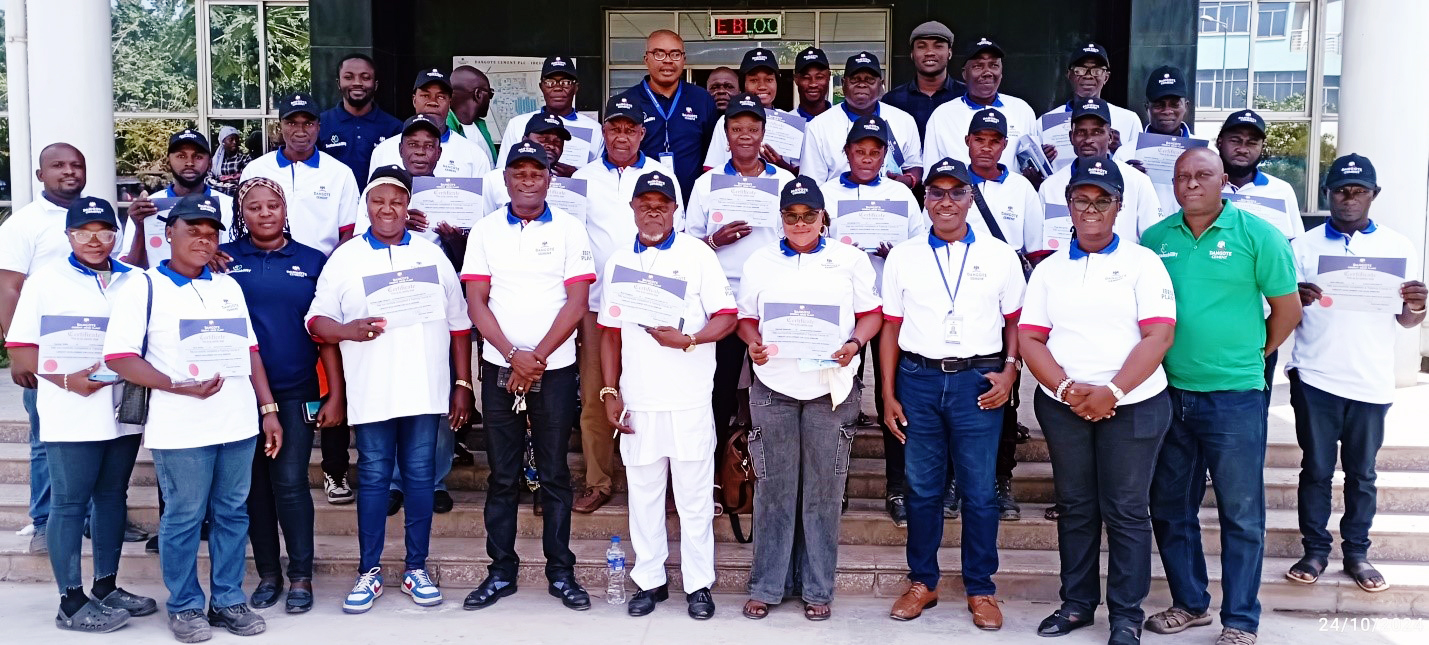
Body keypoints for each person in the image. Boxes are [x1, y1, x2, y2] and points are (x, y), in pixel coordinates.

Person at [1139, 147, 1300, 645]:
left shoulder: (1259, 236)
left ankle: (1241, 621)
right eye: (1182, 176)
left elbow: (1288, 310)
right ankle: (1190, 604)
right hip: (1168, 392)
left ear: (1224, 180)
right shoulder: (1154, 240)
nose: (1191, 184)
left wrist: (1254, 353)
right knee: (1169, 506)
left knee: (1241, 512)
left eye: (1202, 175)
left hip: (1234, 397)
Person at [104, 193, 281, 642]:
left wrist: (268, 409)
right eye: (193, 231)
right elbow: (120, 357)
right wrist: (175, 385)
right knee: (184, 517)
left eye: (210, 234)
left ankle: (226, 600)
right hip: (180, 425)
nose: (203, 240)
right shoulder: (142, 287)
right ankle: (184, 605)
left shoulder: (228, 286)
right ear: (169, 234)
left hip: (237, 421)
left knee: (232, 513)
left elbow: (250, 351)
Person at [1018, 158, 1176, 645]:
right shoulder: (1049, 270)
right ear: (1068, 205)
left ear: (1118, 206)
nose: (1091, 209)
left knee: (1126, 510)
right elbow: (1030, 337)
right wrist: (1067, 390)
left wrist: (1113, 391)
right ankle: (1077, 604)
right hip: (1064, 404)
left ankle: (1126, 614)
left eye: (1102, 199)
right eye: (1081, 199)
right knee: (1076, 506)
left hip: (1134, 404)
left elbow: (1158, 335)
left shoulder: (1143, 262)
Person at [305, 165, 474, 614]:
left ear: (407, 206)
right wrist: (347, 330)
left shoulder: (431, 254)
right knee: (375, 477)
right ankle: (369, 571)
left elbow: (459, 325)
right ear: (366, 205)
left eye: (396, 201)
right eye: (378, 200)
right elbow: (316, 321)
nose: (387, 208)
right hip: (372, 389)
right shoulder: (346, 258)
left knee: (419, 477)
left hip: (424, 387)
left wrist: (462, 383)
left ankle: (416, 567)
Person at [881, 158, 1024, 627]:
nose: (947, 201)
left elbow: (1015, 322)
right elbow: (890, 328)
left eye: (956, 192)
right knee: (922, 488)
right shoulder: (904, 256)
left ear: (970, 197)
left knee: (980, 490)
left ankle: (981, 588)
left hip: (976, 381)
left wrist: (1010, 371)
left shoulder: (999, 255)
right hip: (918, 379)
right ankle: (923, 581)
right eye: (937, 192)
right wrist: (887, 393)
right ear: (925, 199)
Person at [6, 197, 157, 632]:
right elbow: (21, 351)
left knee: (112, 496)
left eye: (104, 232)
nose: (94, 241)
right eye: (83, 233)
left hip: (123, 405)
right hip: (70, 406)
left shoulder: (137, 279)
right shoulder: (45, 280)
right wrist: (66, 379)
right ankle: (70, 603)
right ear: (68, 235)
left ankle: (106, 587)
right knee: (70, 503)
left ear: (116, 235)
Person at [736, 178, 881, 621]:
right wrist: (753, 343)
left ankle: (818, 589)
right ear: (781, 218)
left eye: (809, 215)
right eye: (791, 216)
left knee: (823, 491)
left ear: (823, 217)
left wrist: (854, 344)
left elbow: (871, 315)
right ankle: (767, 585)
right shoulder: (760, 261)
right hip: (773, 385)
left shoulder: (850, 259)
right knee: (774, 489)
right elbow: (746, 318)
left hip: (830, 388)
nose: (800, 223)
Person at [460, 141, 595, 612]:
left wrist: (534, 357)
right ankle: (501, 571)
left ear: (549, 179)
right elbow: (476, 301)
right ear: (505, 180)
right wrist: (512, 355)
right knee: (502, 475)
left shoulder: (570, 229)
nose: (527, 181)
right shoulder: (485, 230)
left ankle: (561, 571)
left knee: (555, 473)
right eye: (518, 173)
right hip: (501, 366)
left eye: (536, 173)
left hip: (553, 369)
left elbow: (577, 303)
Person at [1285, 154, 1426, 593]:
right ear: (1327, 193)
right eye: (1341, 190)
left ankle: (1357, 554)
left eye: (1359, 190)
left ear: (1373, 195)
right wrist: (1296, 300)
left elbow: (1406, 319)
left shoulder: (1399, 246)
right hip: (1315, 375)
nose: (1349, 198)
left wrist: (1418, 305)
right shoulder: (1302, 246)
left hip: (1371, 379)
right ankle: (1314, 551)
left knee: (1362, 474)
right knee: (1316, 470)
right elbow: (1283, 312)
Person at [598, 170, 735, 619]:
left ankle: (698, 584)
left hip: (689, 399)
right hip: (639, 400)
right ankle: (650, 580)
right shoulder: (619, 261)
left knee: (694, 500)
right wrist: (609, 391)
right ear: (633, 208)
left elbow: (727, 317)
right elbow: (609, 333)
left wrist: (690, 339)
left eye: (662, 205)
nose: (653, 212)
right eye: (645, 204)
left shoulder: (698, 255)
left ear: (675, 209)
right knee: (643, 497)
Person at [222, 178, 343, 614]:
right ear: (242, 213)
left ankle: (301, 576)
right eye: (254, 207)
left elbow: (325, 332)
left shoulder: (312, 261)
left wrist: (335, 393)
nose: (265, 213)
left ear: (285, 208)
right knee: (253, 488)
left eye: (272, 205)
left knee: (290, 484)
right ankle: (269, 574)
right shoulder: (224, 259)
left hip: (295, 389)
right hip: (239, 391)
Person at [570, 94, 681, 512]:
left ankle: (658, 479)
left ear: (642, 133)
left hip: (655, 302)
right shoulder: (582, 178)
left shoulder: (661, 176)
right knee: (598, 392)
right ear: (603, 131)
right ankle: (598, 480)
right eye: (614, 128)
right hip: (598, 304)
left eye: (629, 129)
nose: (621, 136)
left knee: (656, 388)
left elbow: (678, 236)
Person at [685, 94, 797, 446]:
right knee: (720, 387)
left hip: (771, 298)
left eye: (752, 128)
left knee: (775, 387)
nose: (745, 135)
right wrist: (714, 240)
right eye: (736, 129)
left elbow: (798, 237)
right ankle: (718, 466)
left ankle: (768, 466)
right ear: (726, 134)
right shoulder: (707, 183)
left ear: (763, 132)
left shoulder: (784, 182)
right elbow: (687, 246)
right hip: (723, 300)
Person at [0, 142, 93, 556]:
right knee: (45, 439)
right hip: (46, 352)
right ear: (41, 175)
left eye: (76, 165)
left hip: (95, 347)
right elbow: (8, 288)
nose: (69, 172)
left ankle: (97, 516)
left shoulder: (96, 215)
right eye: (58, 165)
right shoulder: (24, 223)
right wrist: (18, 350)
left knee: (98, 436)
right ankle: (43, 521)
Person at [1030, 98, 1160, 256]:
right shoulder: (1050, 186)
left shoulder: (1137, 181)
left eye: (1097, 132)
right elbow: (1040, 245)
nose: (1088, 140)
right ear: (1071, 137)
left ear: (1110, 136)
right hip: (1068, 267)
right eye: (1081, 132)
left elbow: (1154, 238)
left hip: (1124, 269)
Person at [240, 92, 362, 257]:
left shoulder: (340, 173)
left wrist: (328, 266)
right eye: (291, 123)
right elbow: (243, 225)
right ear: (280, 126)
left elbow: (349, 231)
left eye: (308, 123)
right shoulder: (255, 170)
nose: (300, 131)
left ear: (319, 127)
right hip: (266, 265)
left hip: (322, 266)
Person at [801, 52, 922, 187]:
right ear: (843, 83)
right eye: (855, 79)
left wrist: (908, 180)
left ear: (881, 84)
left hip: (890, 198)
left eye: (869, 80)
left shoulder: (904, 120)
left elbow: (914, 166)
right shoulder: (818, 126)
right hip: (837, 199)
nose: (862, 85)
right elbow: (811, 182)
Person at [124, 129, 236, 269]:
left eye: (198, 157)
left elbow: (238, 261)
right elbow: (130, 270)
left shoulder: (230, 206)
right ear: (168, 162)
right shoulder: (146, 208)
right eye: (181, 156)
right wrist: (140, 229)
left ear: (210, 163)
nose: (189, 162)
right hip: (158, 283)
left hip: (213, 282)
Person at [626, 29, 718, 198]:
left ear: (684, 60)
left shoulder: (701, 99)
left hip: (692, 201)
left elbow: (711, 155)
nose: (668, 60)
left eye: (675, 54)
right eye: (659, 54)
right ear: (646, 59)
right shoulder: (628, 101)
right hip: (641, 202)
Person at [924, 38, 1038, 169]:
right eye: (978, 66)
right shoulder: (942, 115)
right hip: (959, 183)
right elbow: (930, 171)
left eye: (994, 65)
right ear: (964, 73)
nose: (987, 73)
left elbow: (1032, 164)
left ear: (1001, 72)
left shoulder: (1022, 110)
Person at [369, 69, 492, 181]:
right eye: (425, 95)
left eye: (441, 97)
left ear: (450, 103)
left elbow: (484, 198)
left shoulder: (474, 154)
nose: (433, 102)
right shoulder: (384, 151)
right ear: (414, 100)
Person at [1038, 43, 1143, 168]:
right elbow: (1034, 169)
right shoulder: (1044, 122)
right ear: (1069, 75)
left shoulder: (1129, 119)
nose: (1088, 75)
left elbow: (1138, 168)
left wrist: (1119, 150)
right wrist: (1042, 161)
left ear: (1106, 77)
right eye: (1080, 70)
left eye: (1096, 71)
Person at [703, 48, 801, 173]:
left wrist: (780, 164)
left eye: (769, 80)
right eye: (754, 80)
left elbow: (802, 174)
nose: (762, 86)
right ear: (743, 84)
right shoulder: (726, 121)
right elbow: (711, 172)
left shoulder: (791, 122)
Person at [500, 56, 603, 168]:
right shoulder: (517, 124)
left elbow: (600, 174)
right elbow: (502, 170)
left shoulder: (595, 129)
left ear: (576, 88)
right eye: (550, 82)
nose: (558, 88)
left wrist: (576, 174)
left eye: (566, 82)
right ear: (541, 87)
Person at [1216, 109, 1304, 239]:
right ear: (1219, 142)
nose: (1243, 149)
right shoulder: (1202, 187)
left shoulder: (1282, 190)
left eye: (1252, 143)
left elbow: (1297, 242)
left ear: (1262, 148)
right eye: (1235, 140)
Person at [319, 53, 404, 186]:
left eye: (365, 78)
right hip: (332, 198)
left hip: (377, 198)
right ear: (338, 83)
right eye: (348, 77)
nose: (357, 83)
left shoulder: (394, 128)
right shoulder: (320, 123)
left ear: (375, 85)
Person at [481, 110, 579, 216]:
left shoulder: (574, 181)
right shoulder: (493, 180)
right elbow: (484, 221)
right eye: (543, 139)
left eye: (557, 141)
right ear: (525, 140)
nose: (551, 145)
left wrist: (574, 180)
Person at [883, 21, 966, 137]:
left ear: (949, 53)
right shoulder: (892, 100)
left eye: (938, 46)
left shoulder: (966, 96)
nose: (930, 52)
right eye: (921, 47)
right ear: (912, 54)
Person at [1116, 66, 1195, 157]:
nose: (1167, 111)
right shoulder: (1125, 154)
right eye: (1159, 105)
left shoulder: (1204, 152)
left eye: (1174, 104)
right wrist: (1127, 167)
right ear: (1147, 107)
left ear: (1186, 106)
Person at [449, 65, 499, 169]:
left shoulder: (480, 126)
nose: (490, 100)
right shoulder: (444, 128)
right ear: (478, 94)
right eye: (490, 94)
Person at [209, 126, 252, 195]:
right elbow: (209, 179)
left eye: (236, 139)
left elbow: (246, 180)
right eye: (231, 139)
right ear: (223, 142)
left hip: (237, 196)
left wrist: (222, 180)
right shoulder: (215, 160)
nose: (234, 142)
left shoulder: (244, 158)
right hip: (218, 195)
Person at [793, 47, 833, 121]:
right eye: (806, 77)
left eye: (819, 77)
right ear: (796, 79)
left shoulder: (844, 121)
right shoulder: (787, 123)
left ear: (829, 77)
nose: (813, 84)